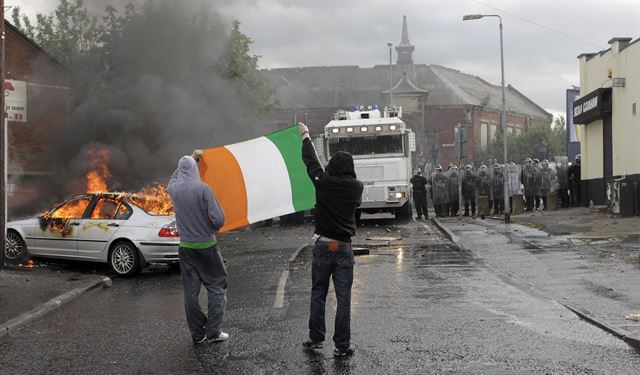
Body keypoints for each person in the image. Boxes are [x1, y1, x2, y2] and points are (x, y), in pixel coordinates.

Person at [299, 123, 363, 357]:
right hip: (343, 247)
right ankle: (342, 346)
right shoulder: (357, 187)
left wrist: (306, 135)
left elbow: (311, 162)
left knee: (318, 293)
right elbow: (356, 207)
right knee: (343, 298)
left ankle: (316, 338)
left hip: (323, 246)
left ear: (333, 166)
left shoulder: (322, 182)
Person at [168, 152, 228, 345]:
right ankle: (213, 332)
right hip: (207, 247)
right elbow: (218, 219)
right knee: (217, 286)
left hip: (185, 248)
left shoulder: (173, 190)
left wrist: (189, 159)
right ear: (195, 169)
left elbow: (175, 176)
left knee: (191, 293)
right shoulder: (203, 189)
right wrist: (213, 228)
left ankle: (197, 334)